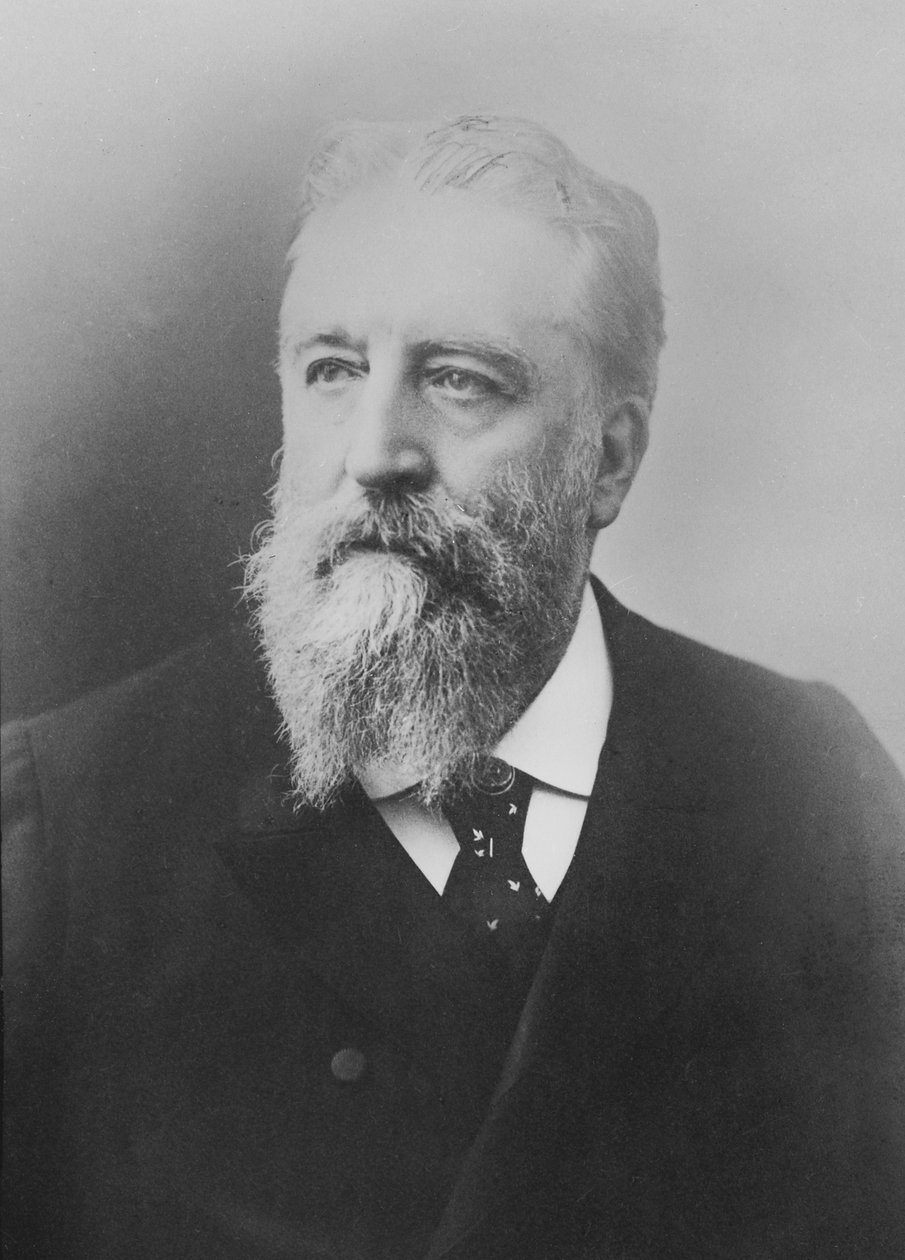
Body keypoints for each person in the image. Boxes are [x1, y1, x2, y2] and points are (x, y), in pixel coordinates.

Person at [3, 114, 904, 1260]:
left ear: (608, 458)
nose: (374, 451)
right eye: (331, 371)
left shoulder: (809, 791)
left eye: (459, 381)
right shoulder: (65, 826)